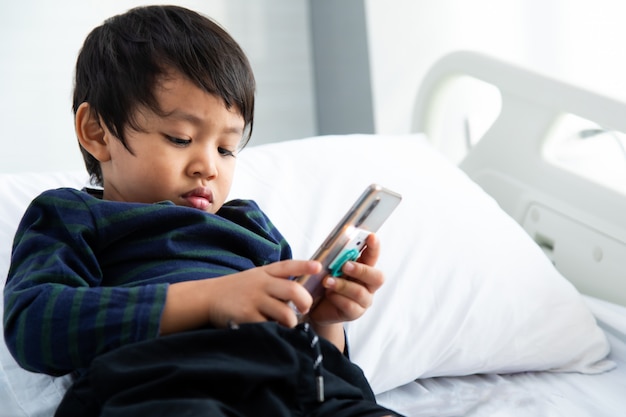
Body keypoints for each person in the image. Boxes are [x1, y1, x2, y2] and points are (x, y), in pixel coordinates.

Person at [3, 5, 401, 417]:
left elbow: (324, 360)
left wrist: (323, 320)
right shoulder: (72, 214)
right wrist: (211, 299)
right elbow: (37, 325)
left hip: (299, 385)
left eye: (226, 148)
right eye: (180, 138)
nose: (208, 166)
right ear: (97, 132)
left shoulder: (250, 224)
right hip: (168, 384)